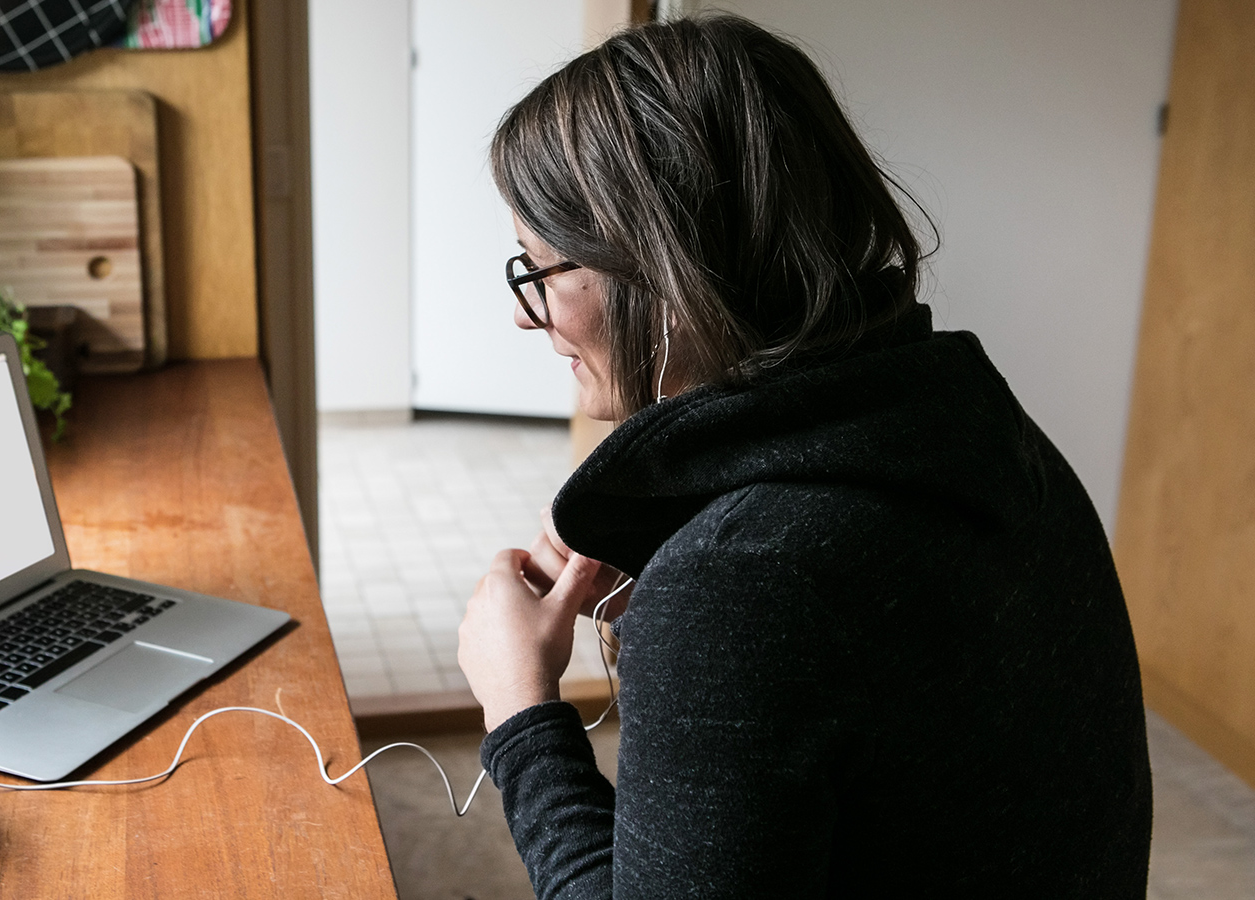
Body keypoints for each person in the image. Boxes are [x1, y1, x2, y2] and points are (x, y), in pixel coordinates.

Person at [455, 15, 1151, 898]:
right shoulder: (978, 428)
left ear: (661, 271)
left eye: (541, 270)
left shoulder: (742, 582)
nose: (527, 314)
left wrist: (520, 708)